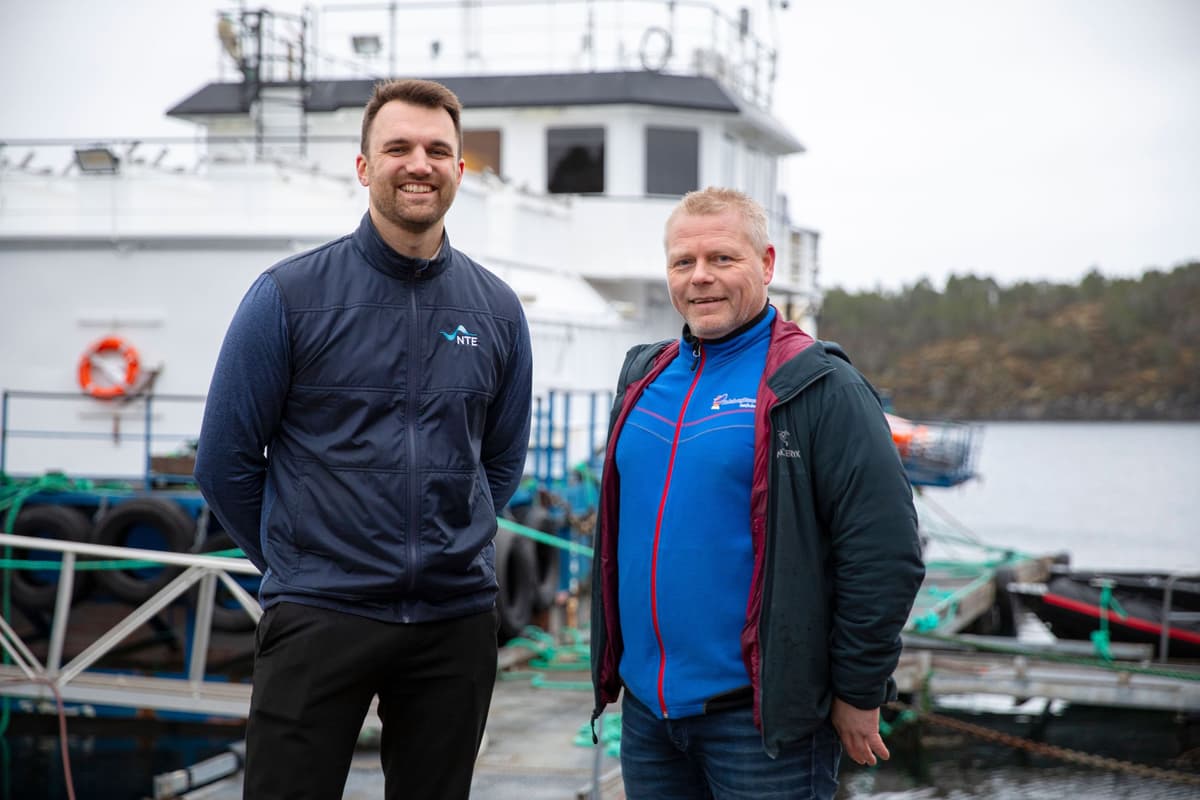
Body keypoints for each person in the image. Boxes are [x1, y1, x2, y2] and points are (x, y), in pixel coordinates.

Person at [194, 78, 533, 800]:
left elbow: (500, 460)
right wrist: (303, 562)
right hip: (321, 613)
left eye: (437, 150)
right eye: (398, 147)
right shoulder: (288, 296)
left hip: (453, 622)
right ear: (363, 166)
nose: (419, 164)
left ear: (459, 169)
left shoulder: (498, 312)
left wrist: (450, 547)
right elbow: (224, 461)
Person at [589, 187, 924, 799]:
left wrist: (859, 689)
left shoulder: (819, 385)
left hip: (760, 728)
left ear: (766, 264)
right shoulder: (643, 376)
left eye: (722, 258)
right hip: (647, 719)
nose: (700, 277)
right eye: (683, 262)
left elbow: (885, 552)